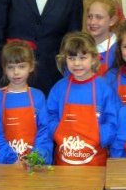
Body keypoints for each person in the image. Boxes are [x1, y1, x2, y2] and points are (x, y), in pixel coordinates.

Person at [47, 32, 120, 166]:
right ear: (65, 59)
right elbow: (50, 116)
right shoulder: (59, 88)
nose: (77, 63)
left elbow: (113, 120)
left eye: (82, 58)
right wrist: (57, 132)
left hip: (95, 162)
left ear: (94, 58)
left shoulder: (104, 89)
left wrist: (99, 136)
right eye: (72, 58)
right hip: (64, 161)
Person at [0, 40, 52, 165]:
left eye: (21, 66)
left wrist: (35, 157)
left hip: (33, 165)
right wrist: (11, 159)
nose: (16, 72)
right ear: (4, 69)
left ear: (31, 67)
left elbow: (44, 131)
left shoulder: (38, 97)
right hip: (6, 166)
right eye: (10, 67)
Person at [86, 0, 119, 76]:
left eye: (99, 17)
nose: (92, 22)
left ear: (112, 21)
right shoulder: (81, 48)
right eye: (90, 16)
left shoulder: (120, 49)